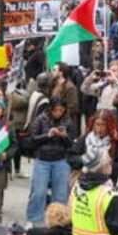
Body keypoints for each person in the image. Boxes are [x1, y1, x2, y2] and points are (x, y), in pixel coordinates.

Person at [26, 96, 77, 226]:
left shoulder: (68, 122)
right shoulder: (40, 119)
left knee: (60, 194)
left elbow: (73, 144)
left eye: (61, 110)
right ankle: (34, 220)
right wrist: (47, 135)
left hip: (61, 160)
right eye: (56, 110)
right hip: (42, 160)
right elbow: (32, 140)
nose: (58, 113)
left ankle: (59, 222)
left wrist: (64, 136)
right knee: (39, 192)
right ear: (51, 109)